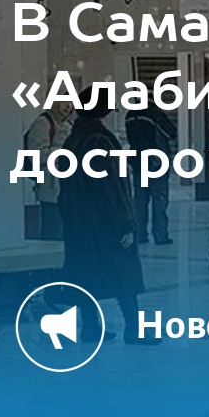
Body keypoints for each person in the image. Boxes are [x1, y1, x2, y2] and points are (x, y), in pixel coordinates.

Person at [58, 87, 159, 345]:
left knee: (85, 274)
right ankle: (134, 329)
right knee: (124, 274)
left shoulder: (74, 139)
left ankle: (90, 327)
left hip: (79, 221)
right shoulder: (100, 141)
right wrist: (125, 222)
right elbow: (112, 186)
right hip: (104, 221)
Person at [125, 100, 178, 245]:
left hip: (138, 161)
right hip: (156, 161)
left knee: (140, 199)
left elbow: (130, 138)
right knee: (159, 198)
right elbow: (171, 132)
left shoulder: (130, 115)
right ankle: (160, 235)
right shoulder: (155, 114)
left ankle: (140, 234)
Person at [25, 101, 73, 239]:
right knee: (53, 232)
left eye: (71, 102)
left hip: (66, 188)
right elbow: (35, 155)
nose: (68, 106)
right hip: (50, 188)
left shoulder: (67, 124)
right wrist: (63, 152)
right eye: (64, 102)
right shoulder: (43, 123)